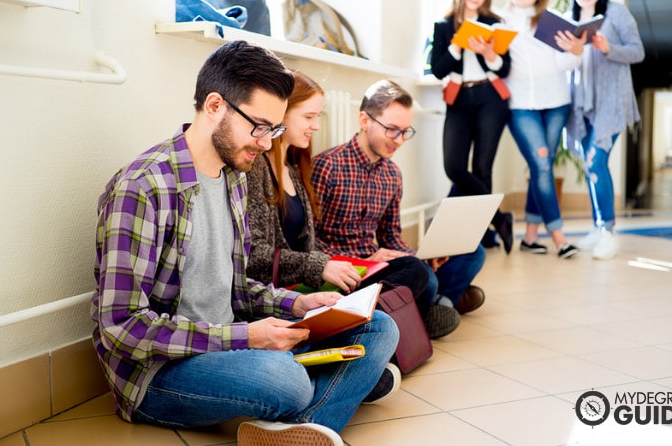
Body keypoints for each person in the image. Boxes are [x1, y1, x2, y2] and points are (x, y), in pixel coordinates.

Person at [91, 40, 400, 446]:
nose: (268, 142)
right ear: (215, 106)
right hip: (160, 374)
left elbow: (233, 287)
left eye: (273, 128)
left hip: (231, 341)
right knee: (284, 379)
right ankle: (328, 394)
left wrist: (296, 304)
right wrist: (247, 339)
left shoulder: (233, 176)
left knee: (379, 328)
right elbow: (122, 328)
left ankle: (296, 425)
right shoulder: (143, 189)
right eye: (259, 126)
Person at [246, 71, 456, 339]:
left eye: (317, 117)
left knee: (432, 267)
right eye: (309, 117)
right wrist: (332, 263)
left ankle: (389, 323)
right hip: (315, 276)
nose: (316, 126)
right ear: (282, 114)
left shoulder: (295, 170)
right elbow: (263, 255)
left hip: (340, 269)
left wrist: (412, 253)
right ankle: (402, 322)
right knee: (421, 278)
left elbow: (387, 237)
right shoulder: (296, 167)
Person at [311, 79, 487, 332]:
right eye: (392, 129)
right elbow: (308, 241)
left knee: (473, 252)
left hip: (382, 265)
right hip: (346, 270)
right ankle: (444, 301)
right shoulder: (327, 166)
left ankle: (440, 304)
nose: (400, 140)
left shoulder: (392, 174)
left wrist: (420, 255)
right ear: (365, 120)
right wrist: (362, 259)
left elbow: (391, 236)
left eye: (405, 131)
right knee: (425, 280)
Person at [497, 0, 586, 259]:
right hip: (521, 106)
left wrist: (575, 52)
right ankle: (560, 238)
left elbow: (564, 64)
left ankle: (531, 236)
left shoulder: (551, 20)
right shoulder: (499, 20)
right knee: (543, 164)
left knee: (541, 169)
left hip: (556, 103)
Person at [428, 0, 515, 254]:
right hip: (460, 99)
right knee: (453, 166)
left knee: (482, 168)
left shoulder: (495, 23)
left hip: (491, 97)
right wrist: (457, 44)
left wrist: (489, 53)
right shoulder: (443, 26)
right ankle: (500, 220)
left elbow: (505, 67)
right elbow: (438, 70)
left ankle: (477, 237)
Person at [566, 0, 645, 260]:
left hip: (610, 102)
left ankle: (608, 231)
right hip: (581, 106)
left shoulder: (616, 12)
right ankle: (598, 228)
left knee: (596, 161)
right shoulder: (569, 18)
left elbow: (638, 51)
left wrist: (608, 47)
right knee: (590, 168)